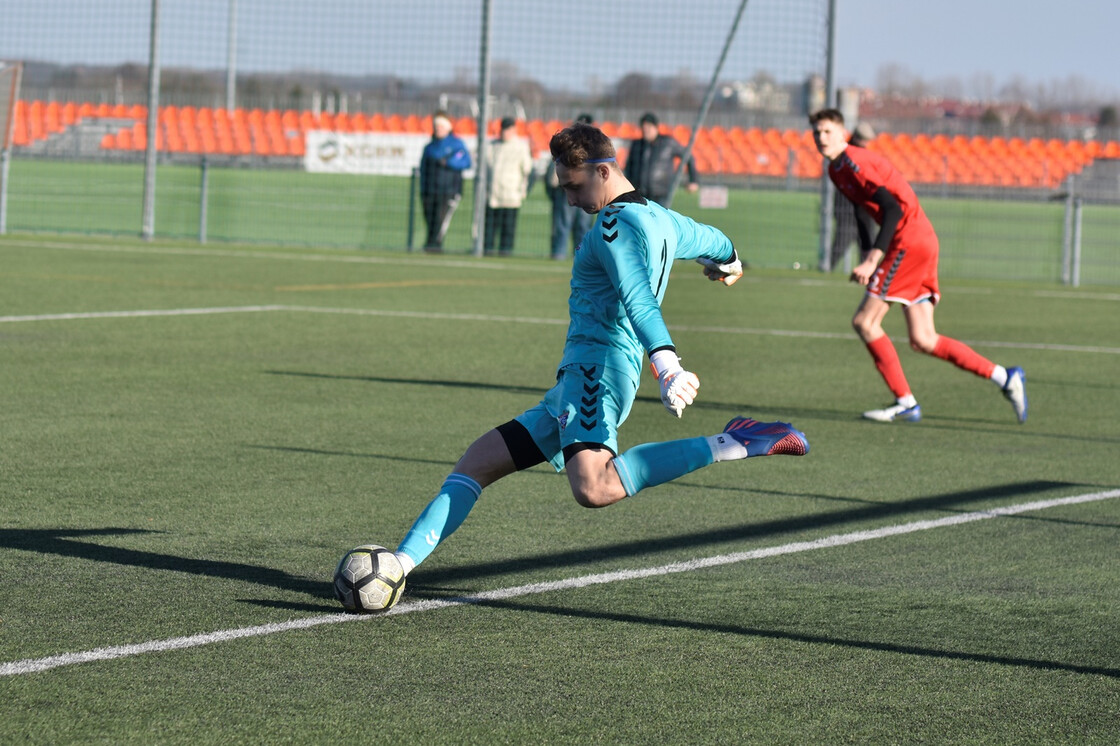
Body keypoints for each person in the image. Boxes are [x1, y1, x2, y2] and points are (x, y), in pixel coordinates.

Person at [389, 122, 809, 583]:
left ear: (604, 170)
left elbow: (636, 293)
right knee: (479, 461)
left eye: (573, 186)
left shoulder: (613, 224)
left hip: (598, 369)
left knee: (594, 486)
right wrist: (728, 264)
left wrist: (666, 362)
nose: (569, 199)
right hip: (582, 375)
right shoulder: (663, 218)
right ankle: (398, 565)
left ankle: (738, 442)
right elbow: (715, 241)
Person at [809, 108, 1028, 424]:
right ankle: (1005, 377)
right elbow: (861, 213)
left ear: (843, 132)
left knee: (865, 322)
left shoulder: (856, 162)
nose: (821, 138)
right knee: (924, 339)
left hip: (908, 241)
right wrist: (868, 253)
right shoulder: (836, 169)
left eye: (827, 131)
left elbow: (892, 209)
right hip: (919, 239)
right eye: (816, 133)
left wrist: (873, 260)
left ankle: (905, 402)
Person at [824, 122, 876, 272]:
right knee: (840, 246)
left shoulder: (860, 155)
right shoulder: (847, 155)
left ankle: (867, 273)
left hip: (864, 211)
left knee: (867, 247)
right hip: (847, 211)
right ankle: (828, 269)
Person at [419, 111, 472, 253]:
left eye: (441, 126)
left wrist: (448, 162)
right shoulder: (429, 147)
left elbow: (466, 161)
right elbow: (423, 168)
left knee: (440, 221)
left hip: (449, 190)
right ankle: (430, 246)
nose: (438, 129)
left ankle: (434, 246)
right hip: (430, 190)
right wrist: (423, 189)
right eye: (436, 126)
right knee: (430, 219)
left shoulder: (456, 144)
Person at [545, 113, 595, 259]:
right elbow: (553, 170)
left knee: (583, 228)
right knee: (563, 226)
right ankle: (558, 255)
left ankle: (582, 258)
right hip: (568, 192)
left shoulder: (594, 148)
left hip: (585, 193)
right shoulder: (565, 145)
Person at [623, 112, 699, 206]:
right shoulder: (637, 144)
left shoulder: (668, 143)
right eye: (643, 128)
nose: (646, 130)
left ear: (655, 127)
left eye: (649, 127)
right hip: (639, 195)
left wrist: (693, 180)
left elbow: (688, 157)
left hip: (660, 195)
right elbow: (629, 166)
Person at [483, 117, 534, 256]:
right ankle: (487, 251)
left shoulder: (520, 147)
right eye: (503, 129)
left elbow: (528, 171)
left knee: (508, 229)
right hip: (493, 195)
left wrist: (522, 192)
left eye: (508, 129)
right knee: (489, 228)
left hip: (511, 196)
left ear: (513, 130)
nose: (505, 133)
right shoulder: (492, 146)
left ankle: (505, 253)